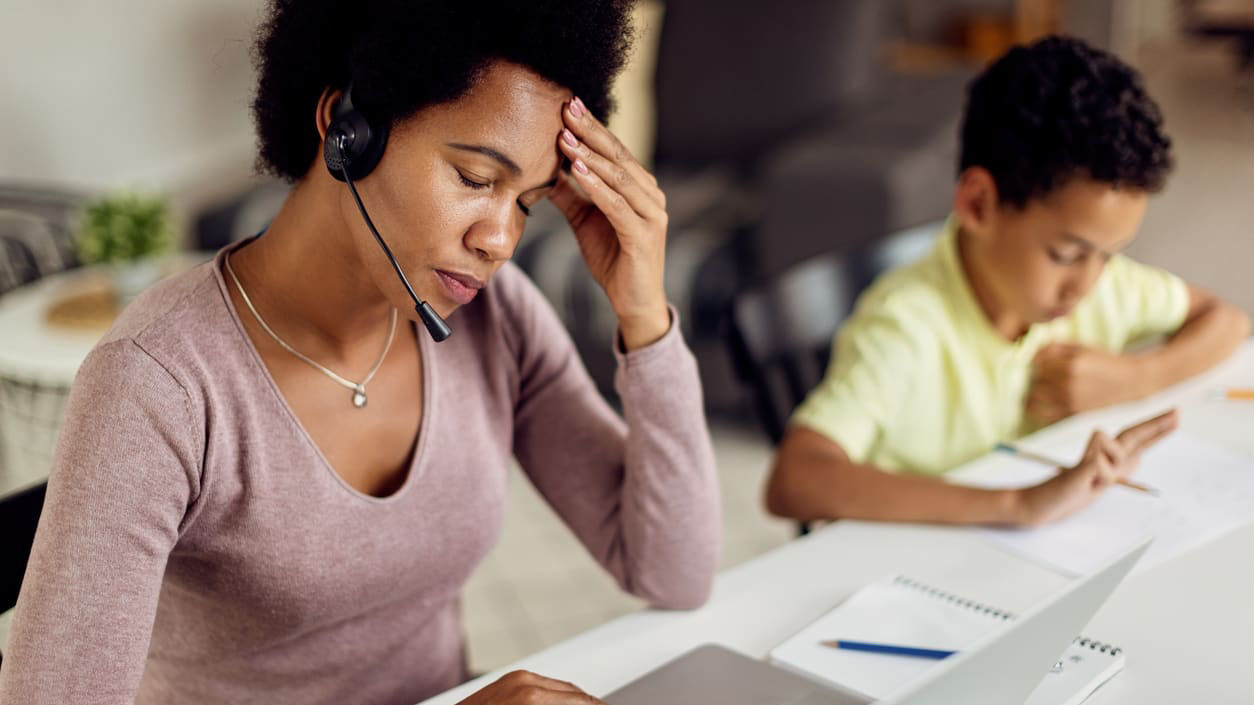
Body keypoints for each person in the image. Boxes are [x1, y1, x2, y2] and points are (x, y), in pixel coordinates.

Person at [0, 2, 721, 703]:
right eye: (476, 179)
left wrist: (643, 314)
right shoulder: (159, 382)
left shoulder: (492, 321)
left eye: (527, 201)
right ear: (348, 127)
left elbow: (674, 571)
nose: (500, 240)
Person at [765, 36, 1250, 528]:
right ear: (978, 204)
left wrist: (1135, 379)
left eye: (1109, 256)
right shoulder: (904, 325)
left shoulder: (1105, 286)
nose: (1086, 284)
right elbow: (795, 479)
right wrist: (1017, 505)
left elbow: (1227, 320)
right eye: (1067, 254)